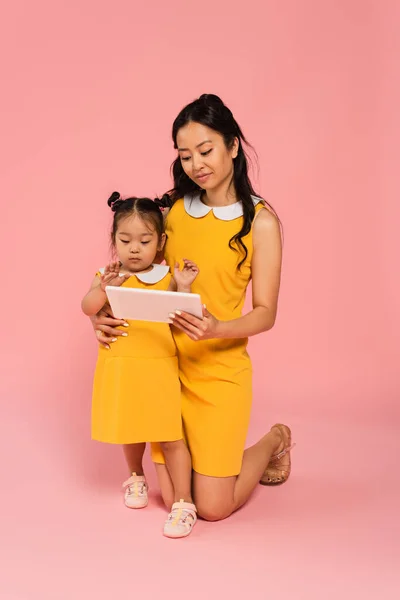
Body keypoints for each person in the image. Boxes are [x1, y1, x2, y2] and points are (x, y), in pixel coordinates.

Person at [91, 94, 295, 522]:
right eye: (185, 155)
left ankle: (275, 439)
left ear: (233, 146)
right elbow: (140, 272)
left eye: (206, 151)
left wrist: (217, 327)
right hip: (165, 370)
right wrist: (103, 317)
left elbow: (265, 312)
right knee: (175, 500)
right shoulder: (174, 211)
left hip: (220, 371)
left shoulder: (261, 223)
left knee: (214, 508)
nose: (196, 164)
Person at [82, 192, 199, 538]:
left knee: (170, 434)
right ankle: (135, 476)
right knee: (131, 427)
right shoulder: (108, 274)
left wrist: (185, 285)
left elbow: (182, 314)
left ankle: (184, 501)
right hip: (121, 365)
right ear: (113, 240)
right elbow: (88, 306)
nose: (134, 248)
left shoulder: (166, 275)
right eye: (125, 240)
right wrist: (104, 290)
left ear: (160, 241)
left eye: (145, 240)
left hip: (158, 366)